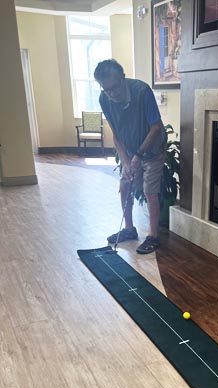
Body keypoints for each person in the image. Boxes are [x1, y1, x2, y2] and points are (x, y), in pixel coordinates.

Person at [94, 59, 167, 254]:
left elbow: (155, 128)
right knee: (125, 184)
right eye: (106, 89)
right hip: (130, 148)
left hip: (152, 149)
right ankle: (129, 229)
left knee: (150, 190)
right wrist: (126, 162)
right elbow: (116, 134)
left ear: (123, 78)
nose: (112, 93)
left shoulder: (142, 92)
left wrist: (138, 155)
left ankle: (153, 236)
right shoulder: (105, 100)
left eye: (115, 87)